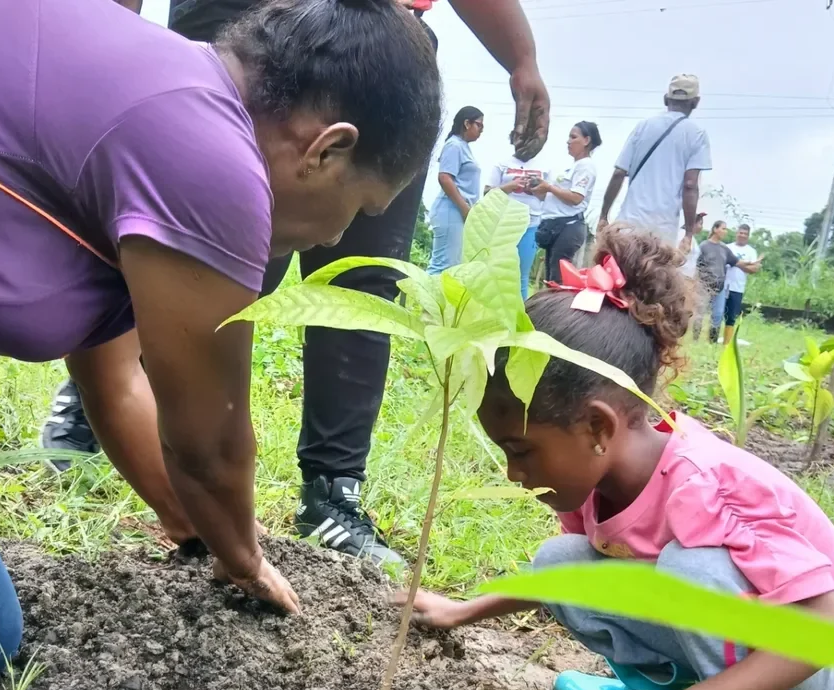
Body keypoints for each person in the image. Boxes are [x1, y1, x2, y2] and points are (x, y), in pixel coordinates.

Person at [0, 0, 444, 690]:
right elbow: (210, 445)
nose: (336, 235)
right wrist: (245, 554)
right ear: (327, 149)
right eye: (358, 208)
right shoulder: (206, 152)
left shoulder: (153, 116)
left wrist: (196, 532)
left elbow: (116, 383)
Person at [43, 0, 553, 568]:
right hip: (246, 27)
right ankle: (122, 395)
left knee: (360, 289)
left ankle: (334, 489)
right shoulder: (180, 105)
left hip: (380, 48)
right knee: (198, 267)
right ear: (323, 149)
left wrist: (520, 56)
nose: (334, 240)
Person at [400, 225, 834, 690]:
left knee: (692, 570)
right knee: (563, 564)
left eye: (520, 450)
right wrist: (462, 611)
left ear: (598, 428)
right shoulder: (598, 483)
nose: (513, 472)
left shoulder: (707, 486)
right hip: (734, 642)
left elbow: (832, 628)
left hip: (811, 666)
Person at [598, 74, 711, 257]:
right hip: (663, 229)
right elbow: (690, 185)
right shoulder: (697, 134)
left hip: (629, 222)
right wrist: (689, 233)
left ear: (666, 99)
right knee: (652, 282)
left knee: (620, 278)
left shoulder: (644, 126)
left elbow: (619, 173)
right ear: (696, 102)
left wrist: (604, 215)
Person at [531, 122, 602, 283]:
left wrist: (549, 187)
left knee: (558, 277)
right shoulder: (573, 167)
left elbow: (576, 197)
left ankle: (559, 308)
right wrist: (539, 190)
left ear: (586, 140)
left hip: (568, 226)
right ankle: (550, 307)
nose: (568, 141)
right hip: (554, 225)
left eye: (573, 137)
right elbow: (557, 198)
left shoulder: (586, 166)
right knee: (551, 277)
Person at [485, 133, 546, 297]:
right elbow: (486, 192)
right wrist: (510, 186)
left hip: (530, 225)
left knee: (521, 275)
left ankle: (518, 317)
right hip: (503, 225)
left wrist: (534, 189)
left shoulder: (544, 166)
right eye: (520, 137)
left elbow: (549, 198)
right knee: (496, 273)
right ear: (513, 139)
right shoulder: (502, 164)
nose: (524, 142)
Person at [428, 106, 485, 275]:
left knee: (451, 265)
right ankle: (420, 301)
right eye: (479, 125)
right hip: (451, 209)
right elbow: (445, 178)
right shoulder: (454, 145)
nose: (482, 130)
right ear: (467, 123)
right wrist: (464, 208)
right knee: (442, 265)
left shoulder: (463, 146)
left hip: (457, 211)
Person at [695, 221, 758, 343]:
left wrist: (752, 263)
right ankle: (695, 339)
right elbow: (696, 264)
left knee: (718, 315)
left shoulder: (724, 248)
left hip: (720, 287)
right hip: (704, 285)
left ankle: (712, 342)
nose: (725, 231)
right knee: (699, 314)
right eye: (723, 229)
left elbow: (737, 262)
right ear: (715, 229)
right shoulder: (704, 246)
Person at [717, 224, 762, 345]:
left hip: (737, 288)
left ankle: (726, 343)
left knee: (731, 317)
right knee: (717, 314)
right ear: (736, 233)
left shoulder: (751, 251)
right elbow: (720, 263)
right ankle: (712, 339)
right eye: (740, 232)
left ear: (748, 236)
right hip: (722, 286)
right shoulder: (727, 247)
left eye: (745, 234)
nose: (742, 235)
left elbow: (754, 269)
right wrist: (743, 264)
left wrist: (735, 263)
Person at [679, 211, 706, 280]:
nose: (702, 227)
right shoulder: (681, 235)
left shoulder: (692, 239)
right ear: (693, 223)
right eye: (700, 224)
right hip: (680, 274)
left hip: (688, 276)